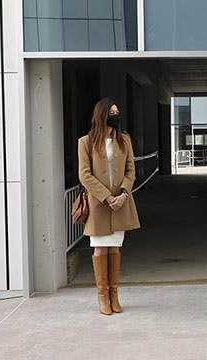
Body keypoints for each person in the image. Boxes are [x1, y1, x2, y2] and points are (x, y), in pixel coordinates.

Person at [78, 98, 140, 315]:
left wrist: (123, 193)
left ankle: (114, 295)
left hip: (121, 203)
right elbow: (85, 175)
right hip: (99, 204)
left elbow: (131, 170)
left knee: (114, 247)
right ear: (101, 115)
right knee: (100, 248)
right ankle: (102, 296)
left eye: (117, 112)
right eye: (112, 112)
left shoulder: (124, 140)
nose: (116, 115)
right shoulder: (85, 142)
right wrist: (106, 197)